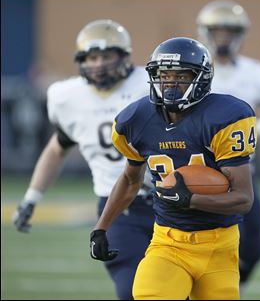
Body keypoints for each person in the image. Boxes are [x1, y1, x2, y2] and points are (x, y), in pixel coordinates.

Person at [90, 37, 257, 300]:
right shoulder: (136, 119)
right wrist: (101, 227)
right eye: (164, 75)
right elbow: (130, 179)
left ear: (201, 79)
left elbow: (244, 199)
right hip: (168, 242)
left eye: (180, 76)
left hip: (219, 246)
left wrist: (192, 199)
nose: (170, 84)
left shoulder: (225, 117)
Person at [13, 19, 155, 300]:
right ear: (81, 60)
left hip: (169, 201)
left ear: (123, 57)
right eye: (93, 57)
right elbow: (57, 147)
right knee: (135, 291)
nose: (100, 64)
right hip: (118, 208)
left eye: (107, 56)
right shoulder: (67, 96)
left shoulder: (148, 85)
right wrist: (32, 196)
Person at [196, 0, 260, 293]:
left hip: (242, 170)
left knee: (253, 247)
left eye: (228, 31)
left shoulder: (257, 74)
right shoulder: (194, 68)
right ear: (205, 32)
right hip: (201, 171)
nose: (222, 37)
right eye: (217, 31)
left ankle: (233, 287)